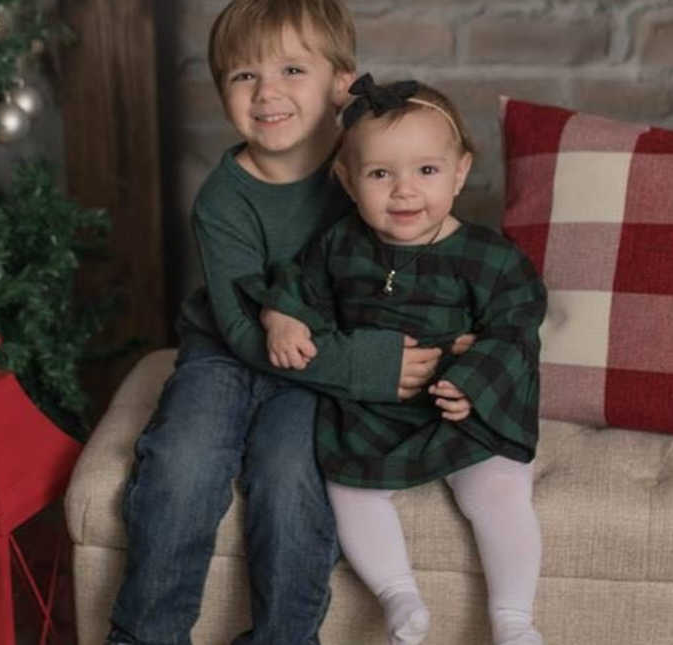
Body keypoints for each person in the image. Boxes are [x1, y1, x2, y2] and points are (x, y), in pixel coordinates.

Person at [104, 3, 449, 644]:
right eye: (243, 76)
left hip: (313, 375)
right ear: (222, 92)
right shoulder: (222, 199)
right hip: (225, 354)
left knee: (291, 475)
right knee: (181, 460)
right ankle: (145, 633)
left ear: (342, 83)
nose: (267, 92)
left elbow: (414, 265)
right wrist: (366, 366)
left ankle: (285, 636)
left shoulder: (372, 174)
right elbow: (241, 333)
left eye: (292, 68)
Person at [256, 74, 547, 645]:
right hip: (374, 409)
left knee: (500, 489)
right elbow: (298, 284)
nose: (404, 191)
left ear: (460, 171)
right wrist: (281, 315)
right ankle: (399, 596)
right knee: (348, 486)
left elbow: (517, 324)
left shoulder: (487, 256)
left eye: (427, 171)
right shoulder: (341, 246)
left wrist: (474, 378)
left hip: (462, 405)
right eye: (380, 174)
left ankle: (513, 618)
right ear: (347, 179)